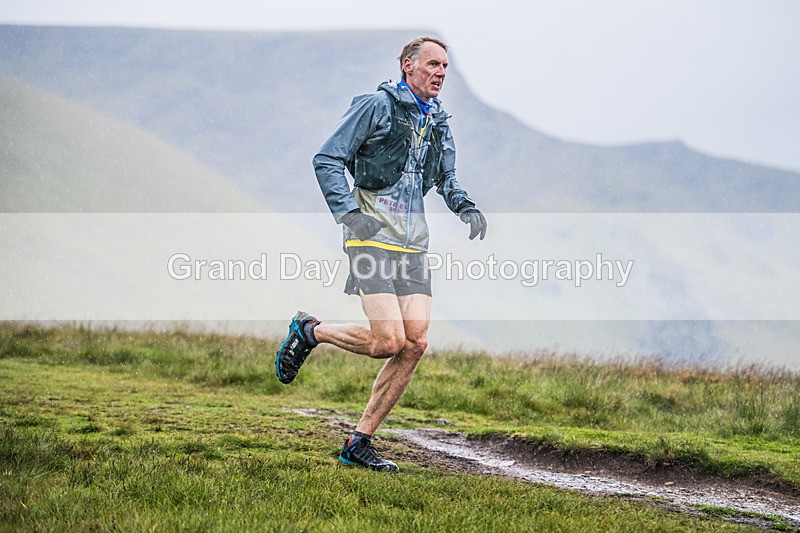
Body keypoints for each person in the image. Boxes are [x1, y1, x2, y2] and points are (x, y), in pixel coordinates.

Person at [275, 36, 487, 472]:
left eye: (445, 66)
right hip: (370, 235)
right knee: (388, 340)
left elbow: (447, 177)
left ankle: (359, 442)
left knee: (415, 344)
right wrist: (350, 215)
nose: (441, 72)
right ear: (408, 66)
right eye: (432, 64)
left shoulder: (438, 121)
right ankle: (309, 331)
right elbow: (327, 158)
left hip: (413, 245)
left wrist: (464, 204)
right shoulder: (376, 106)